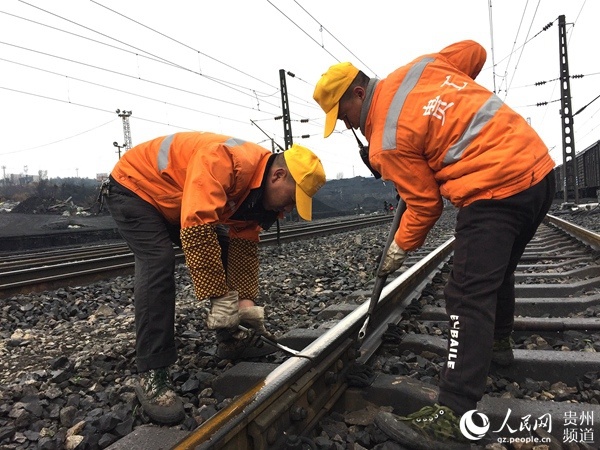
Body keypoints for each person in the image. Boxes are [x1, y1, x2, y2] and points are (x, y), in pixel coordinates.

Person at [313, 40, 555, 449]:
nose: (350, 125)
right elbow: (474, 52)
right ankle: (497, 347)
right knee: (498, 274)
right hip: (537, 170)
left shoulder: (387, 138)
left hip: (492, 187)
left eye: (346, 116)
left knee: (466, 294)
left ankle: (454, 413)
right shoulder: (422, 67)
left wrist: (398, 249)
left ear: (358, 93)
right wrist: (447, 96)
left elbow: (425, 206)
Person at [104, 132, 326, 425]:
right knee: (157, 261)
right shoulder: (225, 160)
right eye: (291, 199)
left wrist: (244, 305)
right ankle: (152, 372)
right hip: (134, 189)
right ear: (278, 176)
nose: (287, 211)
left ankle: (231, 338)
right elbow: (197, 227)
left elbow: (243, 247)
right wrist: (220, 298)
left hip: (174, 199)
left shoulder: (256, 193)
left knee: (224, 246)